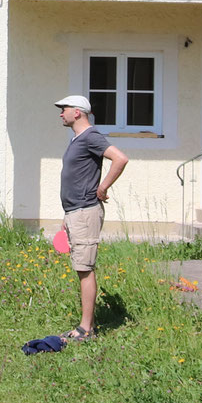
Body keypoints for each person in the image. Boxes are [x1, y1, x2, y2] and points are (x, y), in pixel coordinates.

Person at [54, 93, 128, 340]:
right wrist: (67, 214)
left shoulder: (90, 137)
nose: (60, 113)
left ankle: (86, 329)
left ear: (77, 112)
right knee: (80, 267)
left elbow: (120, 158)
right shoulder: (77, 139)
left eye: (63, 109)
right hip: (76, 212)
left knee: (85, 269)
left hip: (86, 211)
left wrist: (103, 187)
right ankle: (86, 325)